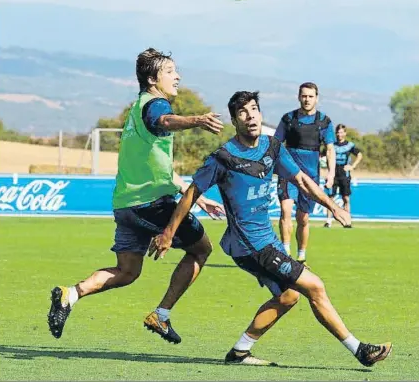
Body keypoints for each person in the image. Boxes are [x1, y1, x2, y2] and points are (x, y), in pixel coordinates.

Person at [149, 91, 392, 367]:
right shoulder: (224, 157)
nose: (250, 115)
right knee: (315, 286)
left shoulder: (272, 147)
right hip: (249, 246)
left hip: (267, 242)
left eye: (254, 109)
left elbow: (301, 179)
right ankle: (359, 350)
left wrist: (332, 206)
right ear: (234, 120)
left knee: (288, 297)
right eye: (243, 112)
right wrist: (168, 233)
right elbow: (191, 193)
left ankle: (240, 351)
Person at [47, 48, 225, 344]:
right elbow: (165, 121)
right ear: (153, 79)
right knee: (202, 250)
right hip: (151, 205)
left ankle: (70, 295)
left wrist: (195, 195)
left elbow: (158, 168)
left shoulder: (137, 109)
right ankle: (162, 315)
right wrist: (197, 120)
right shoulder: (155, 105)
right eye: (170, 71)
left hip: (126, 205)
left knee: (127, 271)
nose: (177, 76)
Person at [275, 82, 336, 264]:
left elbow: (330, 149)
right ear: (299, 97)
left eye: (310, 96)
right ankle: (285, 253)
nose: (307, 99)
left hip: (311, 177)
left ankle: (301, 254)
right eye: (304, 96)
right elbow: (275, 145)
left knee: (303, 218)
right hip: (288, 174)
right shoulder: (288, 119)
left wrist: (331, 173)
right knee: (285, 210)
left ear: (316, 98)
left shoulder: (324, 121)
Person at [324, 124, 363, 228]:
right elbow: (323, 155)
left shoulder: (349, 145)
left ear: (345, 133)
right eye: (338, 132)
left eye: (341, 132)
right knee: (330, 197)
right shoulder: (332, 145)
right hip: (333, 172)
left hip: (344, 173)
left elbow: (359, 155)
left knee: (346, 198)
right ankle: (328, 221)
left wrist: (352, 166)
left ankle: (347, 221)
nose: (339, 134)